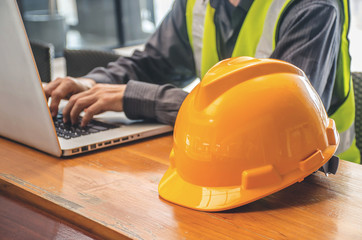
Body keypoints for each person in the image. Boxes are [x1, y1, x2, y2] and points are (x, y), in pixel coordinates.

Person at [44, 0, 359, 163]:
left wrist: (138, 96)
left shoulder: (312, 6)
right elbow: (154, 62)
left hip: (315, 182)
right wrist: (92, 83)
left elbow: (270, 128)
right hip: (222, 168)